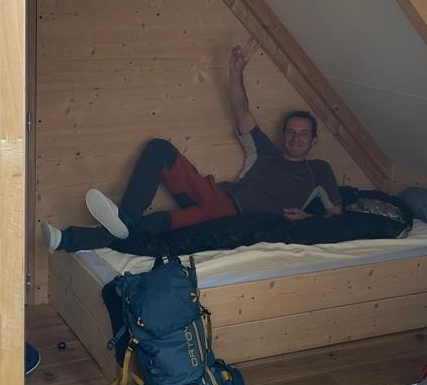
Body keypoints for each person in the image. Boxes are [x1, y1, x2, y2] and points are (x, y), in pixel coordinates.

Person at [43, 38, 343, 252]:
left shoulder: (319, 171)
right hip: (217, 193)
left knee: (154, 225)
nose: (295, 138)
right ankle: (125, 218)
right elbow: (242, 112)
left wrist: (311, 217)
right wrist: (236, 73)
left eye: (303, 134)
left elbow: (338, 215)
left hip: (231, 216)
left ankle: (69, 240)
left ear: (314, 140)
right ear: (284, 135)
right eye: (291, 132)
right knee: (159, 148)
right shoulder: (265, 151)